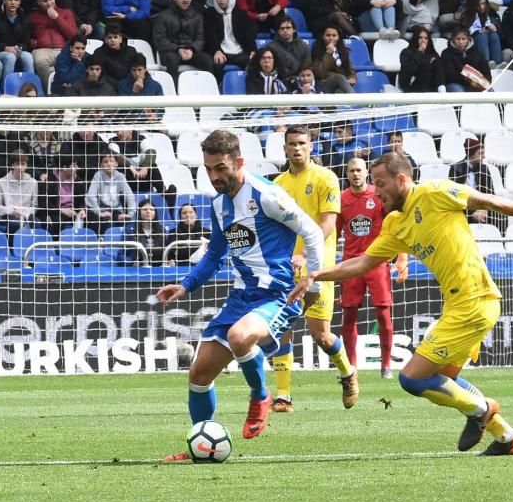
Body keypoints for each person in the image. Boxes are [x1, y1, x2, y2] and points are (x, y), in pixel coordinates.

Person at [288, 152, 513, 456]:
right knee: (446, 380)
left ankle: (481, 409)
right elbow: (362, 263)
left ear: (402, 180)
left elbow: (487, 201)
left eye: (381, 183)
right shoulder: (396, 223)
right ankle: (507, 437)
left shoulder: (435, 192)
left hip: (475, 301)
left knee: (412, 379)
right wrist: (317, 275)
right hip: (457, 304)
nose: (376, 191)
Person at [157, 130, 325, 462]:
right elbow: (214, 255)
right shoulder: (219, 205)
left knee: (240, 337)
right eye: (208, 169)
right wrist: (186, 285)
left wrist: (314, 283)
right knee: (199, 374)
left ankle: (261, 395)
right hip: (240, 298)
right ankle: (201, 447)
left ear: (239, 161)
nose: (214, 177)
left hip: (278, 294)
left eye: (221, 168)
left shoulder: (267, 195)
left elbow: (313, 232)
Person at [271, 124, 357, 412]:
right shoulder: (278, 184)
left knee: (321, 335)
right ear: (284, 148)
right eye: (292, 143)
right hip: (286, 267)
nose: (297, 148)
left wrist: (306, 255)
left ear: (311, 146)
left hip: (318, 267)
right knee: (281, 327)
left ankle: (348, 373)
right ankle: (283, 397)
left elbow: (329, 224)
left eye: (302, 143)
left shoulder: (325, 178)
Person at [339, 157, 408, 379]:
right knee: (349, 315)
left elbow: (397, 226)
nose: (355, 174)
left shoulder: (377, 196)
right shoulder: (342, 199)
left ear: (366, 173)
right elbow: (334, 232)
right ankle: (351, 366)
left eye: (359, 170)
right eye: (351, 171)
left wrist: (402, 258)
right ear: (347, 174)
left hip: (377, 262)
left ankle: (386, 365)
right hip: (351, 264)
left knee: (384, 314)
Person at [152, 0, 214, 75]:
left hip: (191, 51)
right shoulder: (163, 16)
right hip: (170, 51)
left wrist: (192, 49)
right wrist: (178, 49)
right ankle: (173, 84)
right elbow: (160, 40)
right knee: (172, 60)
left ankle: (209, 84)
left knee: (207, 60)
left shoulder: (197, 16)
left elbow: (200, 38)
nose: (186, 0)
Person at [29, 0, 79, 89]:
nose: (49, 3)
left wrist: (57, 18)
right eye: (45, 1)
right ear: (38, 2)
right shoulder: (32, 16)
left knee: (77, 60)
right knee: (40, 62)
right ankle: (50, 90)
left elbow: (74, 36)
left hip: (63, 49)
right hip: (42, 50)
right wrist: (33, 42)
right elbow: (25, 37)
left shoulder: (66, 13)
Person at [86, 152, 136, 232]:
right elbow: (91, 196)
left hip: (115, 210)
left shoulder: (120, 176)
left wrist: (130, 214)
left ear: (116, 164)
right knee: (105, 221)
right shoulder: (97, 176)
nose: (109, 164)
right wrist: (99, 212)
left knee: (126, 220)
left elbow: (129, 195)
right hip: (99, 209)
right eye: (106, 162)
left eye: (112, 161)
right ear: (101, 165)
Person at [0, 0, 34, 78]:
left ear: (20, 2)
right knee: (10, 57)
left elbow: (26, 43)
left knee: (28, 57)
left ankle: (30, 85)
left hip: (18, 50)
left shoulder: (24, 19)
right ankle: (6, 86)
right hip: (0, 52)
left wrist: (19, 47)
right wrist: (5, 47)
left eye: (16, 0)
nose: (13, 2)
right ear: (4, 1)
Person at [0, 150, 39, 235]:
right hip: (8, 215)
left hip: (27, 215)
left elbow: (34, 206)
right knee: (15, 224)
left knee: (38, 224)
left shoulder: (33, 182)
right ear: (12, 165)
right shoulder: (1, 182)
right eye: (17, 164)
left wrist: (25, 213)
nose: (20, 167)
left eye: (23, 164)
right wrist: (12, 211)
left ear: (26, 166)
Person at [440, 26, 490, 93]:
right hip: (455, 84)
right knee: (458, 90)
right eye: (458, 39)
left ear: (468, 39)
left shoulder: (477, 53)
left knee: (490, 91)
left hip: (475, 85)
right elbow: (449, 75)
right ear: (453, 39)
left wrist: (481, 83)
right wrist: (467, 75)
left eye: (463, 39)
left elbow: (487, 73)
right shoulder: (446, 53)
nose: (461, 42)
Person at [399, 26, 445, 93]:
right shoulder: (406, 52)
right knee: (426, 65)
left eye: (426, 38)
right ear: (415, 38)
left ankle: (442, 90)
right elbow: (408, 70)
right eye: (420, 37)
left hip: (430, 85)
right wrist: (419, 52)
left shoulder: (432, 53)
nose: (423, 40)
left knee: (436, 62)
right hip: (411, 83)